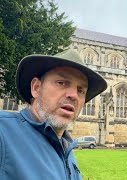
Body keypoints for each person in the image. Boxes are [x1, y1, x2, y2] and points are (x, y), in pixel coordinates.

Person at [0, 49, 107, 180]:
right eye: (61, 83)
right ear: (36, 88)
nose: (73, 95)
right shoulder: (3, 132)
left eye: (81, 90)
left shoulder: (66, 149)